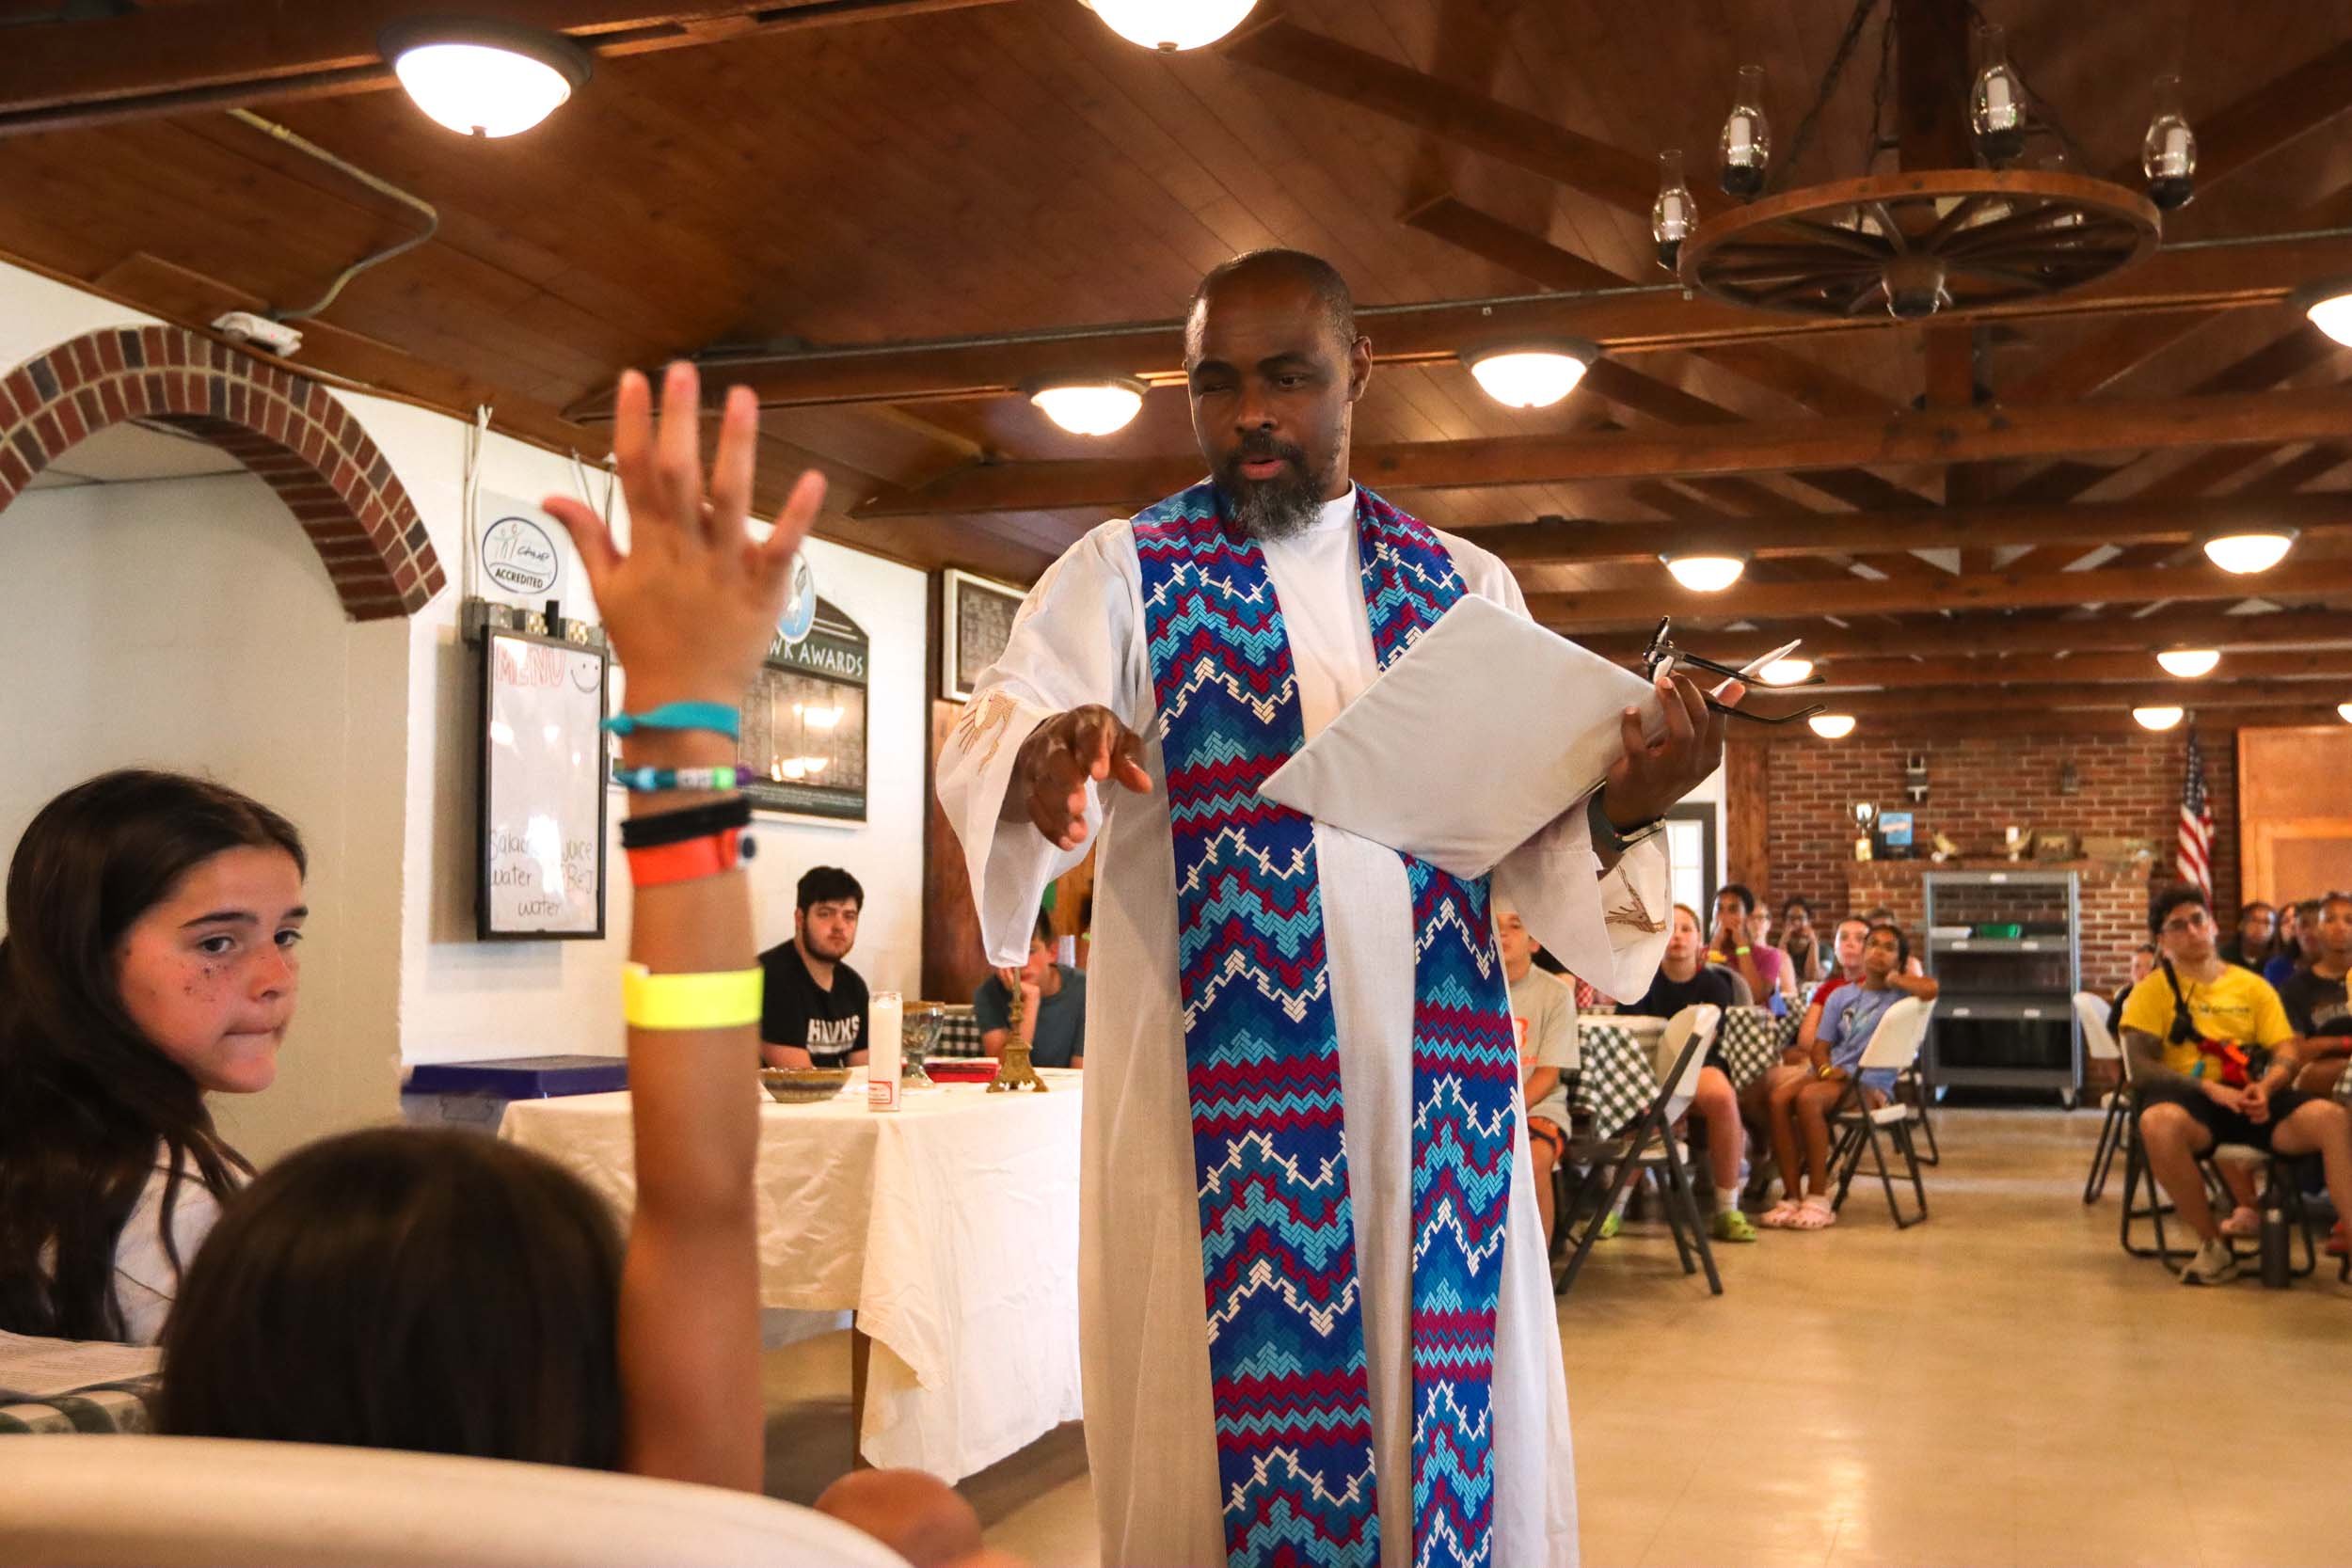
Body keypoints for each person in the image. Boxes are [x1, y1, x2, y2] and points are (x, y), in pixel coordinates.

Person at [936, 249, 1731, 1568]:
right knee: (1206, 1434)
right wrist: (1037, 759)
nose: (1252, 412)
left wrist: (1634, 801)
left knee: (1446, 1440)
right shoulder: (1124, 570)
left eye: (1288, 377)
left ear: (1358, 373)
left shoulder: (1465, 588)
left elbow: (1536, 850)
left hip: (1439, 1112)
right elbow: (1007, 711)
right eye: (1218, 382)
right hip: (1213, 1118)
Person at [0, 769, 306, 1345]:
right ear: (87, 959)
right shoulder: (176, 1204)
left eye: (286, 936)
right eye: (217, 943)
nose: (276, 979)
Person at [2119, 884, 2352, 1286]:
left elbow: (2286, 1050)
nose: (2192, 931)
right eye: (2179, 926)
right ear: (2163, 940)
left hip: (2254, 1095)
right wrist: (2208, 1090)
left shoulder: (2252, 986)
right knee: (2156, 1123)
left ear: (2212, 924)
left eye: (2198, 920)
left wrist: (2271, 1084)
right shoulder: (2151, 992)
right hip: (2194, 1101)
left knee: (2331, 1118)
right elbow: (2139, 1067)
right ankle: (2213, 1245)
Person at [1754, 923, 1924, 1231]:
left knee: (1808, 1099)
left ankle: (1818, 1197)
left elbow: (1932, 990)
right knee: (1778, 1098)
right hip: (1835, 1076)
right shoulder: (1840, 995)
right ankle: (1791, 1196)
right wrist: (1825, 1070)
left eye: (1889, 948)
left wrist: (1896, 977)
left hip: (1870, 1085)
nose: (1878, 951)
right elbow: (1820, 1047)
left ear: (1900, 959)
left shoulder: (1900, 996)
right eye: (1873, 944)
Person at [1621, 904, 1757, 1243]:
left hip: (1698, 1066)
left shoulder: (1716, 986)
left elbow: (1704, 1044)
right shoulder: (1638, 983)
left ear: (1700, 941)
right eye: (1670, 929)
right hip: (1647, 1070)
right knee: (1643, 1099)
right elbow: (1628, 1038)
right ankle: (1613, 1208)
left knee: (1723, 1096)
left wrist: (1677, 1095)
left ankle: (1728, 1207)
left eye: (1685, 929)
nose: (1677, 937)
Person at [1497, 902, 1577, 1251]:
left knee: (1532, 1160)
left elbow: (1548, 1074)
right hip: (1481, 1102)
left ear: (1534, 941)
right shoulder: (1469, 989)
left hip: (1539, 1105)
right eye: (1495, 925)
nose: (1502, 934)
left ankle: (1539, 1266)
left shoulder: (1555, 994)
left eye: (1515, 926)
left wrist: (1509, 1110)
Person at [758, 865, 869, 1069]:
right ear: (800, 918)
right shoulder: (769, 978)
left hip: (834, 1099)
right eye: (826, 914)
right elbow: (800, 1080)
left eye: (849, 916)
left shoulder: (854, 987)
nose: (839, 926)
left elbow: (864, 1077)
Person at [975, 912, 1088, 1068]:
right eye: (1011, 954)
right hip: (1015, 1091)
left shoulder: (1084, 989)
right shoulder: (988, 993)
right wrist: (1031, 1000)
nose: (1020, 963)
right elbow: (1007, 1068)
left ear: (1052, 952)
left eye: (1030, 951)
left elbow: (1081, 1074)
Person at [1708, 883, 1787, 1010]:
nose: (1725, 917)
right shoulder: (1703, 952)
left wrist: (1741, 946)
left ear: (1748, 918)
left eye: (1733, 910)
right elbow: (1707, 994)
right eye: (1720, 909)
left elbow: (1755, 997)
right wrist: (1715, 947)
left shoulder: (1769, 956)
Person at [2105, 942, 2157, 1041]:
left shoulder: (2166, 995)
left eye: (2149, 967)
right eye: (2137, 966)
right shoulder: (2124, 995)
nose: (2142, 973)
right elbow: (2112, 1029)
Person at [1778, 897, 1824, 988]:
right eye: (1791, 919)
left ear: (1809, 922)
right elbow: (1782, 976)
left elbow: (1812, 978)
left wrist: (1813, 943)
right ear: (1784, 923)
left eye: (1801, 918)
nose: (1796, 923)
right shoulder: (1775, 949)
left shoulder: (1824, 950)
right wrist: (1783, 942)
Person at [2221, 900, 2277, 972]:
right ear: (2241, 925)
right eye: (2254, 921)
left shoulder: (2278, 962)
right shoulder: (2223, 958)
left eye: (2267, 923)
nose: (2259, 927)